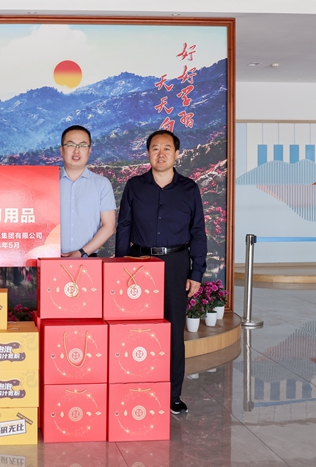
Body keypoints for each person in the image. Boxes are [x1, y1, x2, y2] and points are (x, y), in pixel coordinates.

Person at [115, 129, 207, 415]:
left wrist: (197, 272)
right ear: (148, 153)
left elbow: (198, 232)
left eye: (167, 148)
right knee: (135, 328)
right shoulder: (135, 186)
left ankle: (172, 394)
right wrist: (120, 266)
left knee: (173, 330)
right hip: (139, 262)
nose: (161, 153)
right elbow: (124, 226)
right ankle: (134, 383)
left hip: (176, 264)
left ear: (177, 154)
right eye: (155, 148)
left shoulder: (189, 189)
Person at [59, 125, 116, 258]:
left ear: (89, 150)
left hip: (87, 257)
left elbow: (109, 227)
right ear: (61, 150)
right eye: (70, 145)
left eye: (83, 145)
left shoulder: (102, 184)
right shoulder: (48, 182)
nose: (76, 150)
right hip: (48, 258)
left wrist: (82, 252)